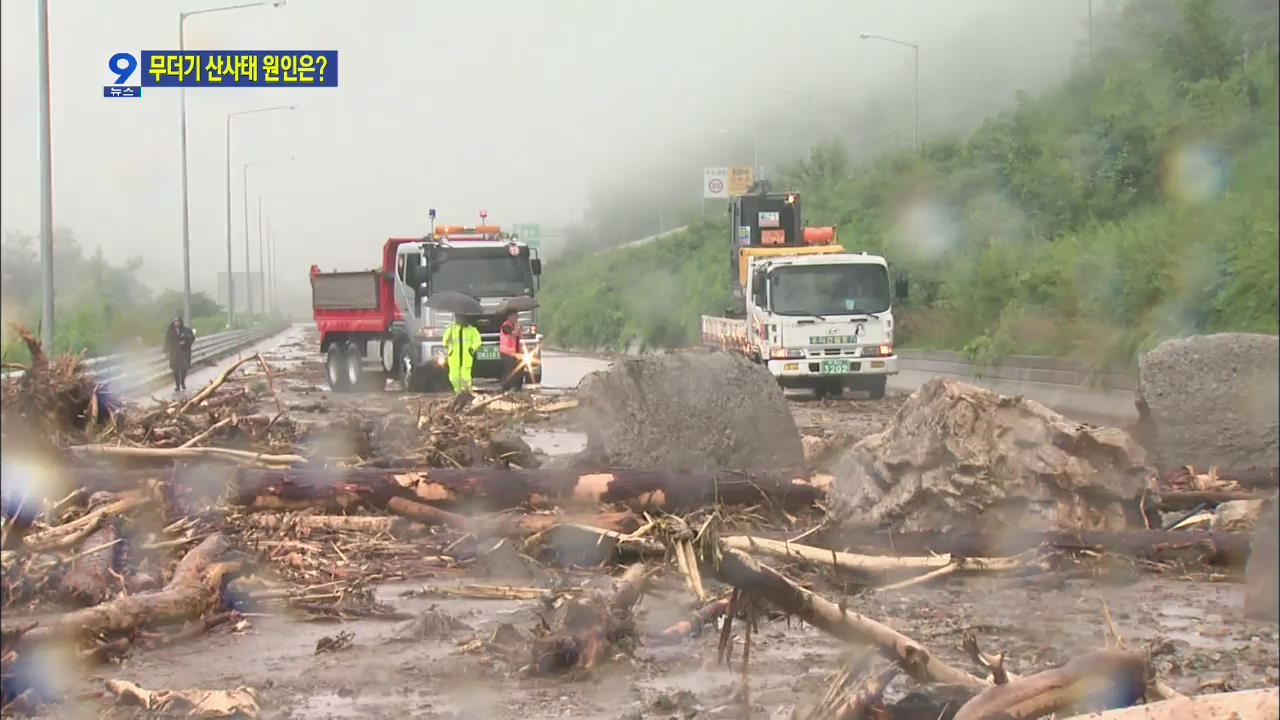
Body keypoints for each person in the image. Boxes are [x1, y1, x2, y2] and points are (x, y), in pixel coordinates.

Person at [443, 314, 481, 394]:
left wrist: (472, 349)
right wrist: (449, 334)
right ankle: (457, 391)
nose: (460, 320)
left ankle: (466, 392)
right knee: (454, 376)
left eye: (462, 318)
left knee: (466, 377)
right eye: (458, 318)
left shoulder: (472, 330)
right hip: (454, 358)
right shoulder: (452, 329)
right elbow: (445, 342)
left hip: (466, 358)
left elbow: (478, 341)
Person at [163, 315, 195, 391]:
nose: (177, 323)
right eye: (175, 321)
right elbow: (167, 342)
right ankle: (177, 385)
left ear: (181, 322)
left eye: (178, 321)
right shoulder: (170, 331)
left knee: (184, 369)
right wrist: (166, 351)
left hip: (184, 353)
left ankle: (182, 382)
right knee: (175, 370)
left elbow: (192, 338)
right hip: (174, 353)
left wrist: (186, 343)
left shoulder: (186, 330)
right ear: (173, 322)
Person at [498, 310, 524, 391]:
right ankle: (507, 388)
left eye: (517, 316)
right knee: (509, 371)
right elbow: (513, 333)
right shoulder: (506, 326)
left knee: (519, 370)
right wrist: (517, 329)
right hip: (507, 353)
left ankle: (516, 388)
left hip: (516, 353)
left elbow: (519, 337)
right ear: (510, 317)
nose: (517, 318)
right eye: (515, 316)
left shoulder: (514, 325)